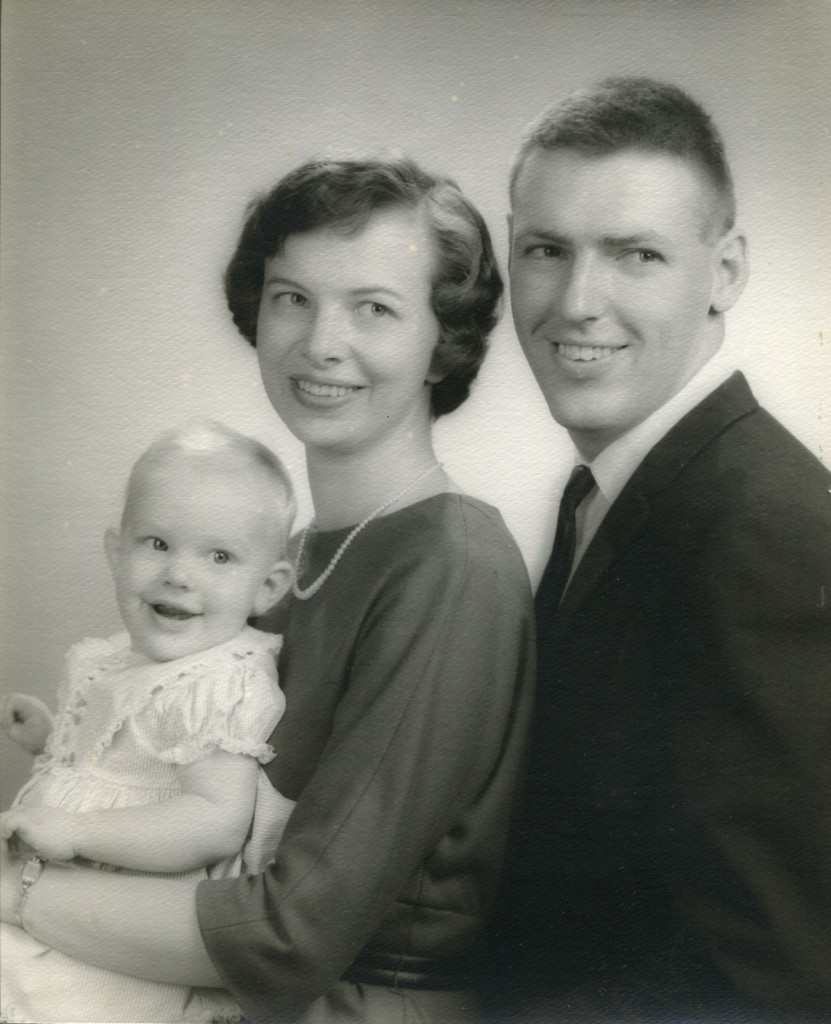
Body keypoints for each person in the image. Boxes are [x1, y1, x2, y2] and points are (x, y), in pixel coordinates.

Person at [0, 157, 536, 1024]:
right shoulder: (287, 559)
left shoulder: (451, 568)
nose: (321, 341)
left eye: (374, 308)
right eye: (292, 297)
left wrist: (17, 892)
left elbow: (290, 935)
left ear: (444, 339)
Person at [491, 76, 831, 1022]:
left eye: (635, 254)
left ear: (723, 273)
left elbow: (774, 973)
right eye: (545, 250)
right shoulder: (611, 488)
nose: (575, 302)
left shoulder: (768, 528)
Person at [0, 422, 297, 1023]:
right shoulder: (116, 659)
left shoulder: (220, 680)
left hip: (120, 931)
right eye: (157, 543)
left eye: (218, 556)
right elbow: (122, 767)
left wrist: (76, 832)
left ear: (267, 587)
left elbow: (215, 820)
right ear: (117, 551)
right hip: (63, 894)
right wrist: (52, 739)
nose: (179, 574)